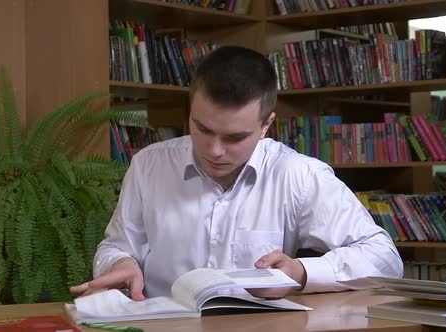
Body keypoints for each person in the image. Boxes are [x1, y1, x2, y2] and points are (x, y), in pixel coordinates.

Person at [70, 46, 403, 301]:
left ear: (266, 125)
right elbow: (115, 247)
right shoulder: (149, 165)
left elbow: (384, 257)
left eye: (235, 137)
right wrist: (121, 264)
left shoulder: (297, 174)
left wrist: (302, 272)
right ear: (190, 110)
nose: (214, 150)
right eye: (202, 128)